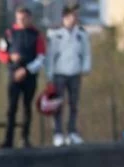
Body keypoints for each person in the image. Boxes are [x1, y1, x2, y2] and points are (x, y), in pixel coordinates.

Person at [0, 6, 46, 149]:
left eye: (24, 18)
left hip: (29, 75)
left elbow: (41, 57)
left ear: (29, 19)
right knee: (11, 108)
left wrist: (26, 70)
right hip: (13, 75)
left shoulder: (36, 35)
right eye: (19, 18)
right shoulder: (9, 33)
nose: (21, 21)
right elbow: (1, 53)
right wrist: (10, 58)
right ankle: (8, 139)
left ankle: (25, 138)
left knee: (27, 107)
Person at [46, 4, 91, 146]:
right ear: (65, 17)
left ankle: (72, 132)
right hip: (59, 73)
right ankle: (58, 133)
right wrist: (49, 74)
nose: (75, 19)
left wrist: (85, 68)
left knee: (74, 104)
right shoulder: (55, 34)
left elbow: (86, 53)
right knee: (58, 105)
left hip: (75, 73)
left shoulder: (81, 34)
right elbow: (50, 56)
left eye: (76, 16)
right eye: (72, 16)